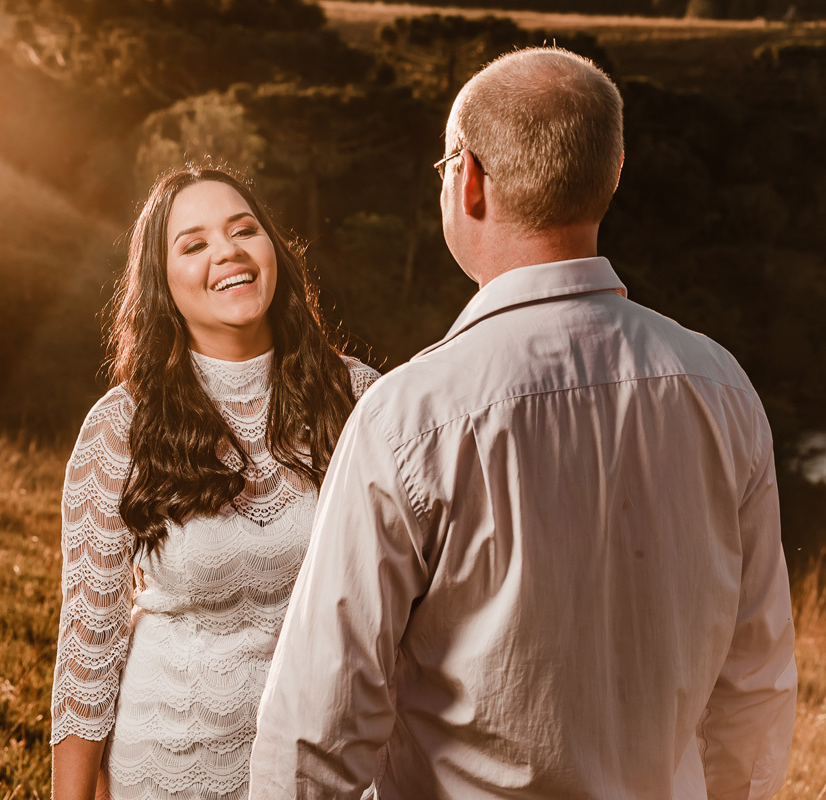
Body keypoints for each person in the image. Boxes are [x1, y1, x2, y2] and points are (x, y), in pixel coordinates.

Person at [249, 47, 796, 798]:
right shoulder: (722, 387)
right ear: (614, 171)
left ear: (468, 179)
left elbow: (315, 730)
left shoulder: (408, 418)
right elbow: (754, 685)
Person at [50, 165, 381, 800]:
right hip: (167, 768)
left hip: (327, 770)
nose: (227, 251)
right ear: (162, 282)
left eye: (243, 230)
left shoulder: (357, 398)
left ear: (272, 249)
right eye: (194, 243)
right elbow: (87, 652)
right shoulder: (120, 427)